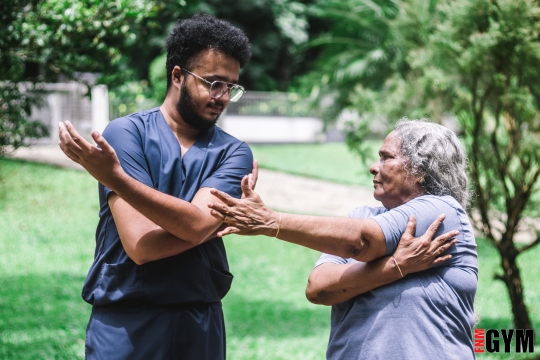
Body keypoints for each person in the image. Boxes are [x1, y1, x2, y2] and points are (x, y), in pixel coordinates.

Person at [58, 14, 254, 359]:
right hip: (125, 325)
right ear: (178, 75)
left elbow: (194, 225)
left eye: (231, 87)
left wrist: (116, 177)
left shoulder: (235, 152)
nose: (222, 96)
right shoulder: (125, 134)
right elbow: (141, 245)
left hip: (200, 322)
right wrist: (209, 227)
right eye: (212, 83)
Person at [207, 119, 478, 359]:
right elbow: (319, 288)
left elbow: (363, 242)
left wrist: (272, 222)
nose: (374, 167)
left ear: (420, 170)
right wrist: (396, 266)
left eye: (386, 158)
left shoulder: (443, 212)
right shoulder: (361, 216)